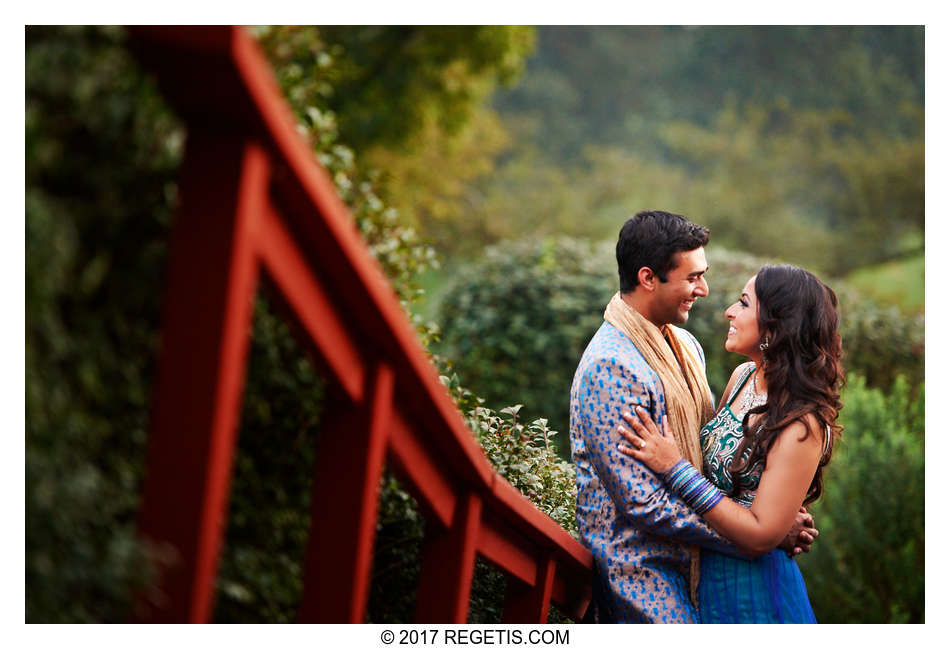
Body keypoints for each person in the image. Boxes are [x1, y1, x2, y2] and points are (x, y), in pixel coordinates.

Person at [570, 211, 815, 624]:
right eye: (692, 277)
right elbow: (644, 504)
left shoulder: (685, 345)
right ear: (648, 278)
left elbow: (715, 455)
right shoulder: (610, 366)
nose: (703, 290)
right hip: (644, 568)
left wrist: (769, 515)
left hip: (702, 563)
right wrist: (759, 536)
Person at [616, 264, 842, 623]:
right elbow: (713, 473)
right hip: (704, 578)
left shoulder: (803, 424)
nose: (730, 312)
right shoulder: (741, 379)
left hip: (755, 594)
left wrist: (675, 468)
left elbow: (757, 536)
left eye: (743, 303)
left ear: (776, 325)